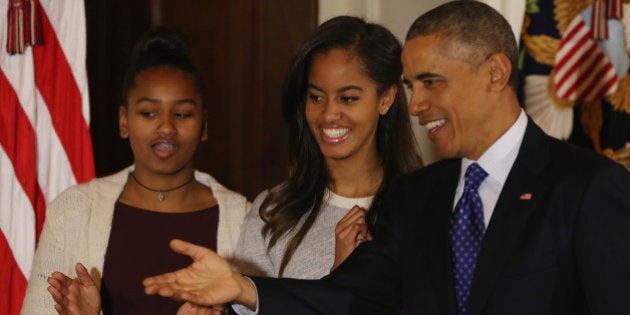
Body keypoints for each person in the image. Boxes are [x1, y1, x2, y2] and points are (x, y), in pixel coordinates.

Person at [143, 1, 630, 314]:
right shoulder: (418, 195)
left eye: (431, 83)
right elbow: (351, 296)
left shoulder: (587, 187)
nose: (415, 106)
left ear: (496, 73)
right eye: (411, 86)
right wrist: (243, 289)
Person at [21, 27, 249, 315]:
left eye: (182, 114)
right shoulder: (74, 212)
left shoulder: (243, 220)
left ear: (204, 126)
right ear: (124, 121)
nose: (166, 127)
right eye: (148, 113)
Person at [232, 15, 422, 280]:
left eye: (348, 98)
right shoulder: (274, 211)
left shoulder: (423, 209)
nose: (329, 114)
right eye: (317, 97)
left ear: (385, 98)